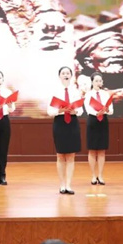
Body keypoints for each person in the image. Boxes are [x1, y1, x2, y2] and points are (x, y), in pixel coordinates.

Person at [47, 67, 83, 195]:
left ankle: (68, 185)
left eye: (68, 73)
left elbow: (81, 110)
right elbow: (49, 111)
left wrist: (75, 111)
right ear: (59, 76)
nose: (65, 75)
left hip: (72, 123)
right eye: (63, 73)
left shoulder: (75, 91)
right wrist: (60, 110)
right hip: (60, 123)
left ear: (71, 76)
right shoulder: (55, 91)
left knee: (71, 155)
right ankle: (62, 185)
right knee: (61, 155)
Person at [83, 72, 113, 185]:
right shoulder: (88, 94)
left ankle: (100, 175)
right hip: (93, 120)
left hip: (103, 121)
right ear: (92, 82)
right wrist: (97, 112)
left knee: (101, 150)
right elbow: (88, 109)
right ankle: (93, 175)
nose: (98, 83)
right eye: (96, 81)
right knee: (92, 150)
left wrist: (107, 110)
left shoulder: (105, 94)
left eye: (100, 81)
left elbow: (111, 110)